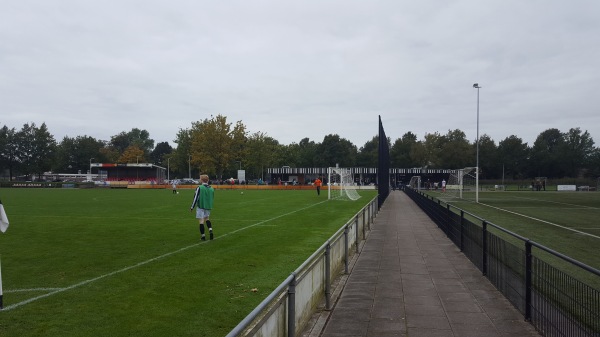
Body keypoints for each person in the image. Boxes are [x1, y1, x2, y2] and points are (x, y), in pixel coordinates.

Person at [190, 174, 215, 241]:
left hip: (201, 206)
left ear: (201, 180)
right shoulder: (211, 188)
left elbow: (196, 198)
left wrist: (192, 207)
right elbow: (212, 197)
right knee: (207, 218)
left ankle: (203, 236)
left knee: (201, 221)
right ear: (208, 180)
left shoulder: (200, 187)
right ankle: (210, 230)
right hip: (208, 206)